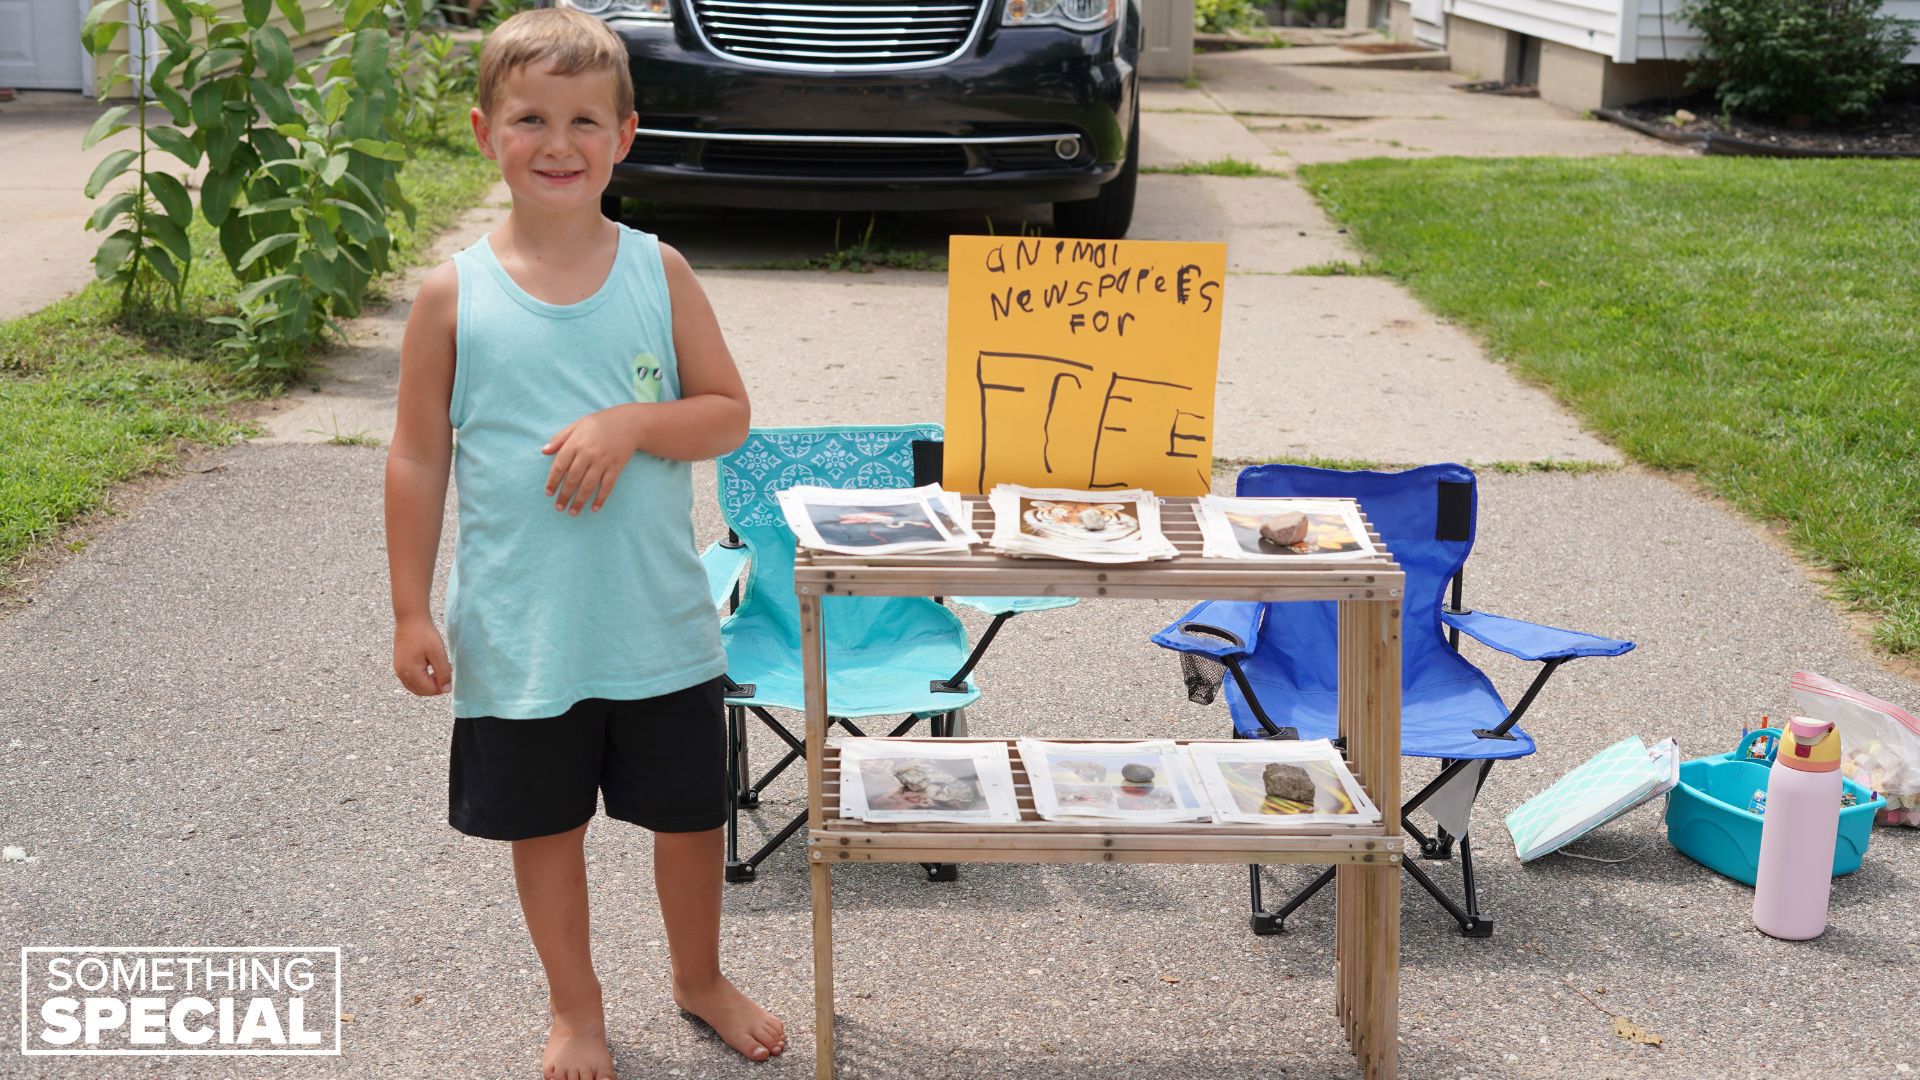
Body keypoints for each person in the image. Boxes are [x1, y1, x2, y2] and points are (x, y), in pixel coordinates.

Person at [382, 9, 783, 1077]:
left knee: (691, 817)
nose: (557, 143)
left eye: (582, 121)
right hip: (523, 631)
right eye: (529, 119)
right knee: (544, 826)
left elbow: (727, 413)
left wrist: (632, 424)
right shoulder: (452, 296)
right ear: (483, 131)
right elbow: (418, 459)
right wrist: (412, 608)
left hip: (658, 620)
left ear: (625, 136)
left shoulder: (660, 273)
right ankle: (577, 1007)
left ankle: (698, 978)